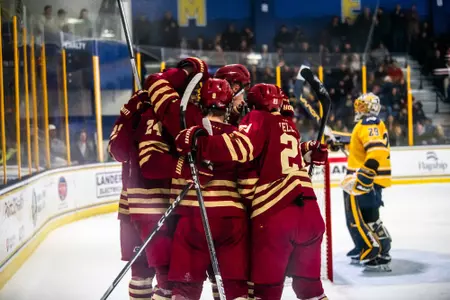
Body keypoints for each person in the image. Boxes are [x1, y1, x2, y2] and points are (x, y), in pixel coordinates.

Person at [175, 83, 329, 300]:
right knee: (310, 289)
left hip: (276, 217)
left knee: (264, 292)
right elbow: (279, 154)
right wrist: (308, 151)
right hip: (311, 215)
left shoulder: (257, 117)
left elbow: (241, 148)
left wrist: (201, 145)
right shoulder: (290, 126)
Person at [169, 78, 249, 300]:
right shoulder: (238, 133)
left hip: (193, 216)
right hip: (231, 219)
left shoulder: (186, 135)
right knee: (235, 289)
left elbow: (177, 179)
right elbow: (247, 175)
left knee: (185, 290)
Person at [107, 91, 156, 299]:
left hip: (152, 208)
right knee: (141, 275)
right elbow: (118, 151)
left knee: (163, 274)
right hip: (135, 210)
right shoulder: (131, 120)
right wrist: (129, 116)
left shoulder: (158, 119)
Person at [340, 92, 392, 271]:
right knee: (366, 217)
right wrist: (341, 141)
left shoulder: (369, 123)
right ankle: (369, 247)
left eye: (363, 105)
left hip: (368, 180)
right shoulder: (366, 124)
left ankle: (379, 250)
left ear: (372, 107)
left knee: (367, 218)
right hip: (369, 178)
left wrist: (366, 174)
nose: (359, 109)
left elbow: (376, 150)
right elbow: (362, 144)